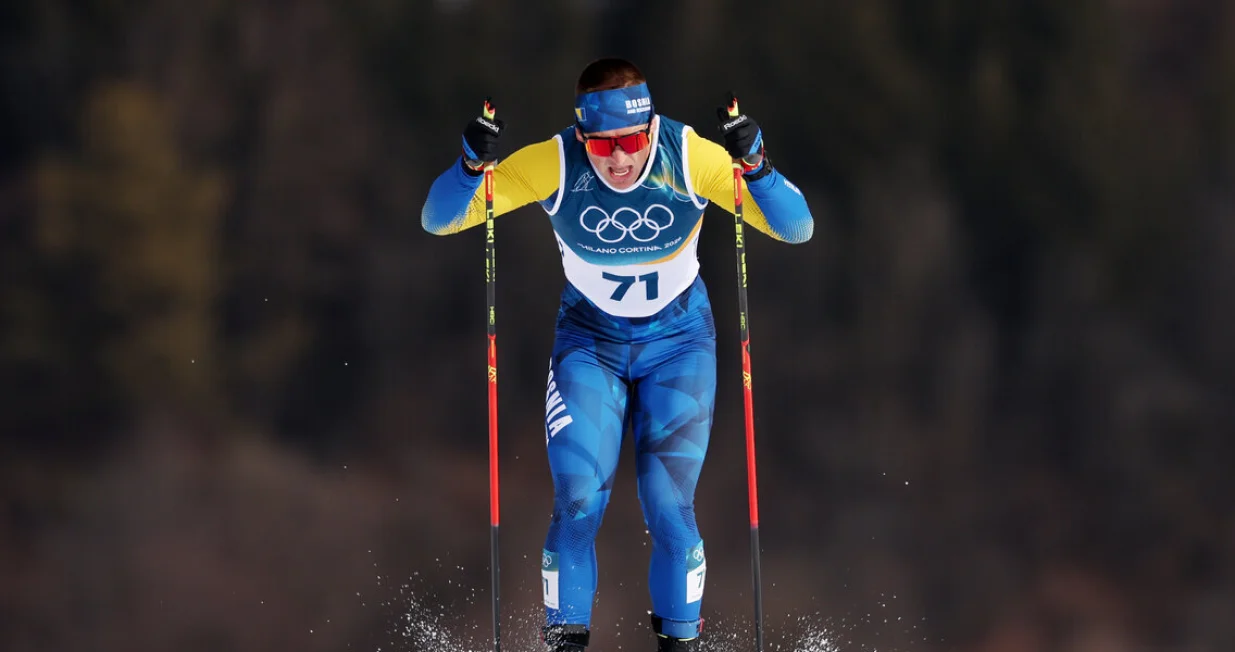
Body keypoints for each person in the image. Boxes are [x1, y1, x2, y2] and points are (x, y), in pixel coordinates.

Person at [421, 58, 813, 652]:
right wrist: (472, 165)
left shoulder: (689, 158)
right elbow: (439, 219)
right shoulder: (554, 164)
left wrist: (755, 165)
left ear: (651, 127)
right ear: (582, 135)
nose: (620, 159)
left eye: (632, 140)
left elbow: (797, 228)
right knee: (577, 502)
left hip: (679, 344)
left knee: (669, 507)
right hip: (589, 344)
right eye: (603, 145)